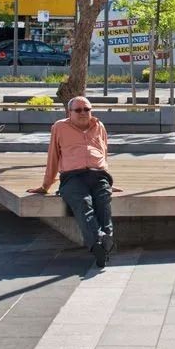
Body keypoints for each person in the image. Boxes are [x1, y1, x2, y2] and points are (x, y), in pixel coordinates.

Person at [27, 97, 116, 268]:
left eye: (87, 109)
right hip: (72, 176)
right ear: (70, 112)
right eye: (78, 110)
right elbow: (53, 156)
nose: (83, 113)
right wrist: (46, 185)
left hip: (99, 175)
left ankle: (100, 247)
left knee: (104, 205)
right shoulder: (60, 127)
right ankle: (104, 240)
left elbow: (104, 153)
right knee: (84, 205)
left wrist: (109, 181)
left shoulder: (99, 126)